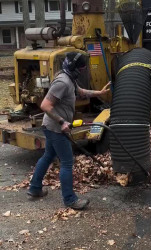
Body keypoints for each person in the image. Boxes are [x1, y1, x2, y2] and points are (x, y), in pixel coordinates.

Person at [27, 52, 110, 210]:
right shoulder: (62, 82)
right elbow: (45, 105)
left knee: (48, 155)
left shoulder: (69, 78)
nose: (82, 71)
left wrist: (98, 93)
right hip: (55, 128)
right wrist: (62, 122)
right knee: (67, 162)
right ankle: (70, 199)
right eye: (81, 68)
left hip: (52, 127)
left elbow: (81, 92)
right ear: (74, 67)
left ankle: (35, 188)